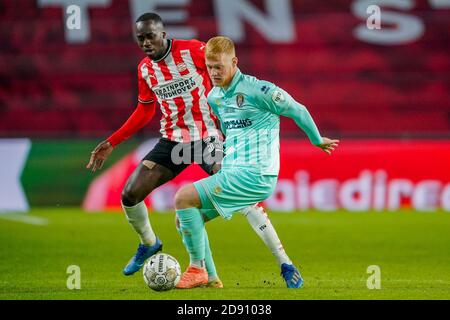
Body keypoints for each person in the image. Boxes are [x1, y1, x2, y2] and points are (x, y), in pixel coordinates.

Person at [86, 13, 293, 288]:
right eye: (140, 38)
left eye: (150, 36)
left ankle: (284, 262)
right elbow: (145, 110)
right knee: (130, 194)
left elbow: (226, 72)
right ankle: (150, 243)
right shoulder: (145, 69)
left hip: (208, 139)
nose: (146, 42)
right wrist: (112, 141)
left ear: (163, 33)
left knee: (243, 199)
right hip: (172, 143)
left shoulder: (194, 50)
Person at [173, 36, 339, 289]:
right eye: (209, 67)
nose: (214, 72)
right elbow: (231, 131)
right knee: (187, 217)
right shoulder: (215, 97)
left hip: (256, 173)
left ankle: (197, 268)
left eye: (219, 66)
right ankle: (213, 278)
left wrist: (316, 140)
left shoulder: (259, 90)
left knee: (183, 198)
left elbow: (298, 110)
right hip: (234, 169)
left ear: (235, 62)